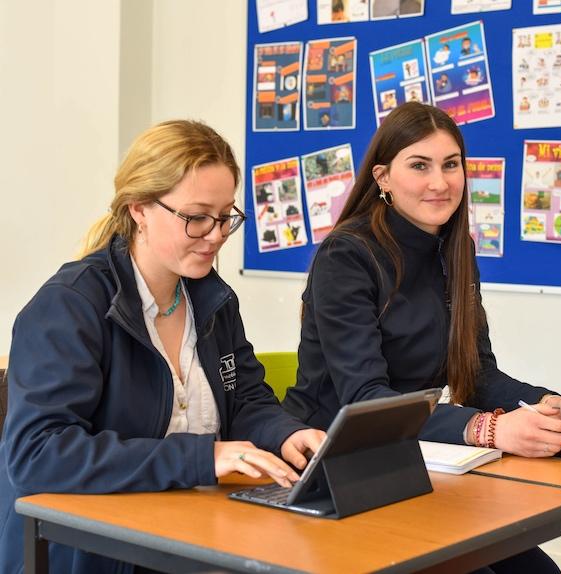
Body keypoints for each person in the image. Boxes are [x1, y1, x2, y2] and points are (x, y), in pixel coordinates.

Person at [283, 102, 561, 574]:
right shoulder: (347, 255)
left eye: (451, 165)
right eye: (419, 166)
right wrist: (487, 429)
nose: (439, 183)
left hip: (414, 459)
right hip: (334, 466)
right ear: (383, 177)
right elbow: (366, 400)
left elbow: (478, 374)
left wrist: (547, 404)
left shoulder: (456, 247)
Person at [0, 120, 325, 574]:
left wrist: (287, 433)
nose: (215, 235)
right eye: (196, 217)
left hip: (190, 536)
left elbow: (247, 401)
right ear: (139, 210)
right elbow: (38, 455)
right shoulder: (70, 306)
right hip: (92, 555)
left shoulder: (211, 298)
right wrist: (203, 457)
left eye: (226, 216)